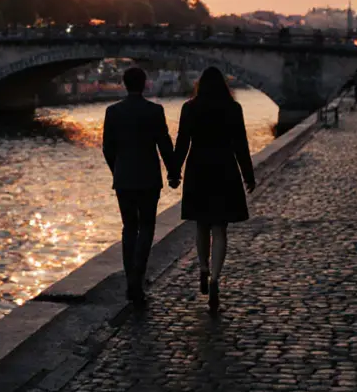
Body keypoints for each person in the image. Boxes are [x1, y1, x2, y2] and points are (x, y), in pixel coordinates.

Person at [174, 67, 255, 315]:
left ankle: (203, 267)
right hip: (224, 169)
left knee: (201, 224)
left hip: (198, 168)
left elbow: (183, 141)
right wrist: (248, 175)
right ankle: (215, 279)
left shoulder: (189, 108)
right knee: (220, 229)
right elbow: (241, 143)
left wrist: (174, 171)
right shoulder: (233, 108)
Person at [101, 67, 179, 306]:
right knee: (146, 227)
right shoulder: (154, 111)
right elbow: (164, 143)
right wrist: (173, 172)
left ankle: (130, 280)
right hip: (148, 177)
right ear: (145, 84)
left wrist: (117, 170)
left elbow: (107, 147)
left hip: (124, 178)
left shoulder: (113, 112)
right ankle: (138, 276)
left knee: (128, 228)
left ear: (124, 84)